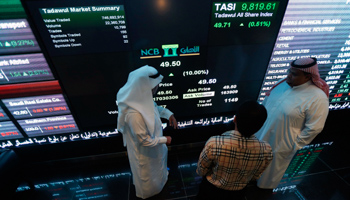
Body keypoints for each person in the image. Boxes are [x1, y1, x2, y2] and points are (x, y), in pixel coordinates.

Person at [255, 57, 329, 189]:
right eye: (289, 71)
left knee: (265, 181)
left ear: (307, 76)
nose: (288, 76)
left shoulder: (318, 97)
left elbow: (315, 128)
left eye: (294, 74)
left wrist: (292, 145)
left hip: (281, 144)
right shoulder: (281, 84)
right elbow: (264, 105)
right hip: (258, 137)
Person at [116, 65, 178, 199]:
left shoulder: (143, 100)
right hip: (146, 156)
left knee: (159, 175)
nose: (157, 88)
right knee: (150, 185)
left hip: (155, 151)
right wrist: (164, 140)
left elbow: (155, 109)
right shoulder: (134, 114)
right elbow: (143, 141)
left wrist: (169, 114)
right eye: (154, 85)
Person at [196, 101, 273, 200]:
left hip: (211, 190)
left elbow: (201, 171)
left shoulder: (214, 143)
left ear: (235, 119)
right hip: (238, 193)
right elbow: (255, 176)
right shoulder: (266, 150)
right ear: (260, 126)